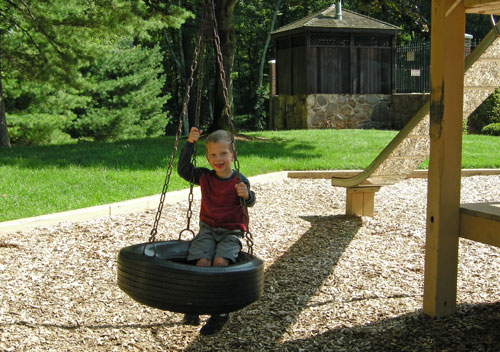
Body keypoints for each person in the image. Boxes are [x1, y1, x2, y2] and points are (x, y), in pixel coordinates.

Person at [177, 127, 256, 336]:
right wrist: (189, 144)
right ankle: (196, 303)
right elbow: (183, 169)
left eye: (223, 153)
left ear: (233, 155)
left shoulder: (239, 180)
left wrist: (247, 195)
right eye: (213, 154)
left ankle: (220, 313)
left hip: (232, 232)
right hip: (208, 230)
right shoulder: (204, 176)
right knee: (201, 263)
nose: (218, 159)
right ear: (207, 157)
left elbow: (251, 200)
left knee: (220, 263)